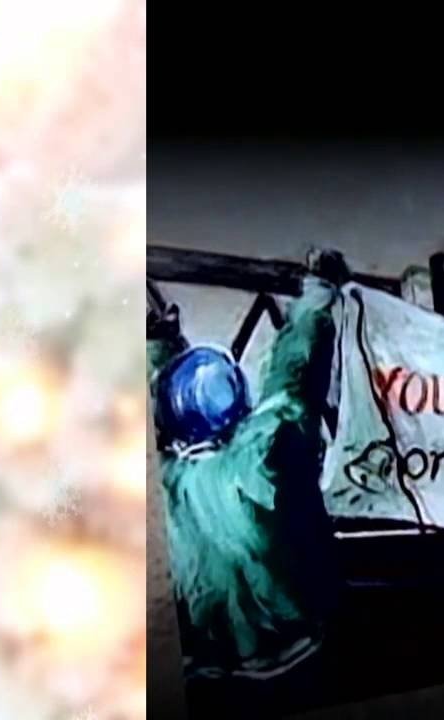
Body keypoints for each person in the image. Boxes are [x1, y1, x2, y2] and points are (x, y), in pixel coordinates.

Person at [147, 248, 349, 683]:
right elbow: (294, 372)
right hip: (304, 647)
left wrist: (157, 346)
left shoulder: (160, 482)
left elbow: (170, 403)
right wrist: (318, 291)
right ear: (239, 400)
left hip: (208, 674)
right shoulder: (267, 451)